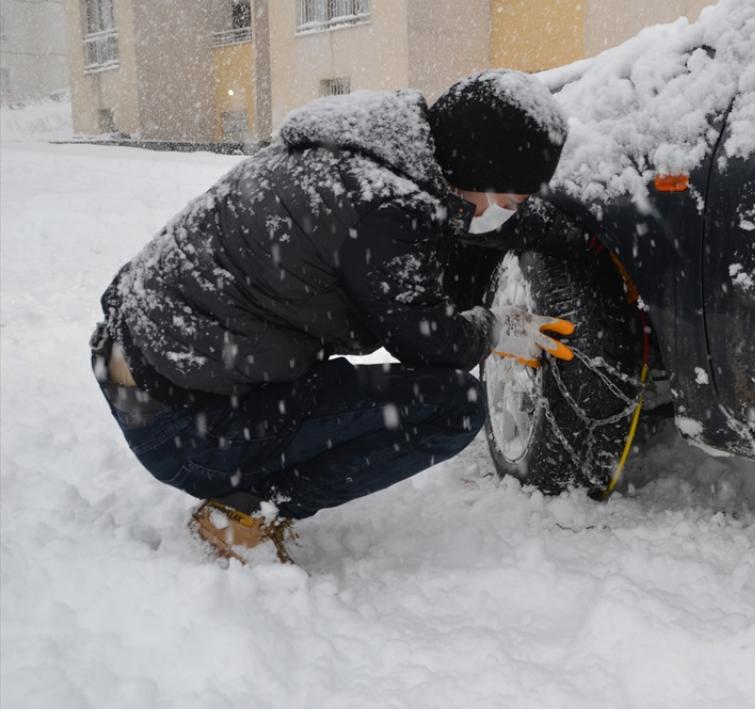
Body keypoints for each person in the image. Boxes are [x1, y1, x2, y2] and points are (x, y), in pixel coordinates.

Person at [90, 70, 586, 562]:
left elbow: (450, 224)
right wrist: (498, 327)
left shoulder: (367, 152)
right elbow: (430, 342)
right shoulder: (389, 210)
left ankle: (246, 477)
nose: (505, 213)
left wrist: (566, 236)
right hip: (183, 429)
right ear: (476, 168)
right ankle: (244, 512)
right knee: (452, 407)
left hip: (140, 372)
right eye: (509, 200)